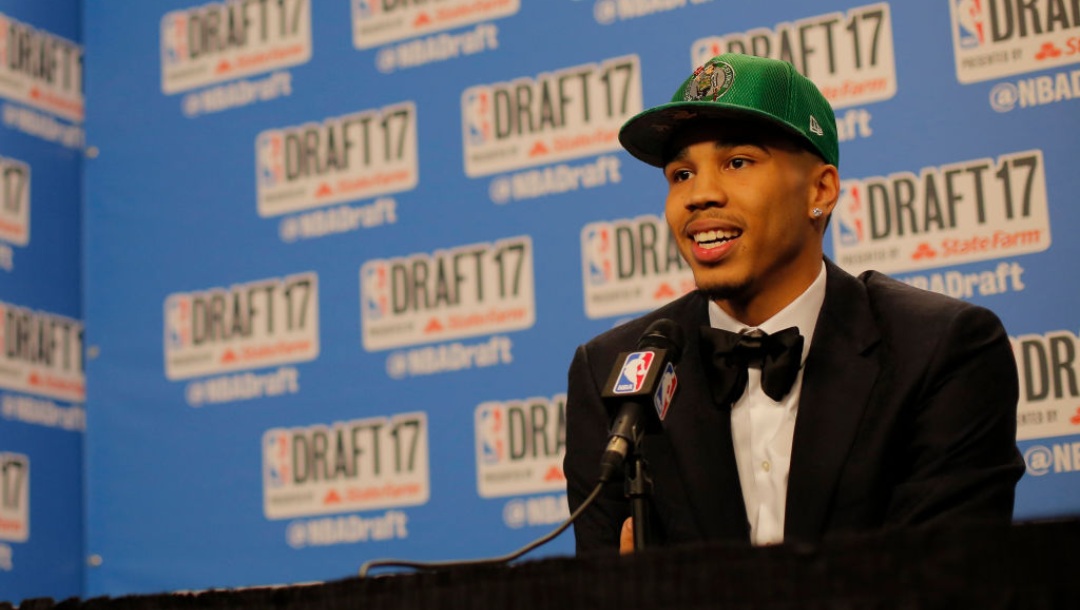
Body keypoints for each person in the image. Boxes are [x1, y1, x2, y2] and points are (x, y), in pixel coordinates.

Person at [562, 53, 1025, 554]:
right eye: (681, 174)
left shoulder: (942, 350)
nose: (700, 195)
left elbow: (941, 582)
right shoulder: (613, 370)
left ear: (820, 190)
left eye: (737, 162)